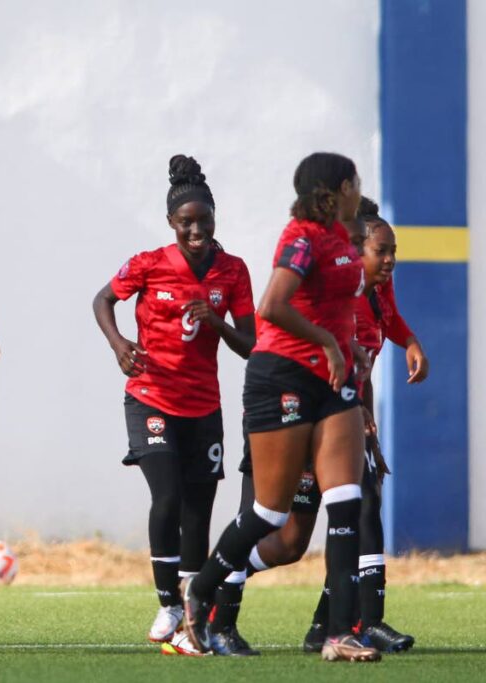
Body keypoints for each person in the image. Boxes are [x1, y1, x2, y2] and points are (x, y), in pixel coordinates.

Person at [181, 152, 382, 663]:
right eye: (355, 181)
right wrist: (329, 343)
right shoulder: (302, 236)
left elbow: (335, 307)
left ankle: (339, 637)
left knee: (347, 499)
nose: (360, 188)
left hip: (333, 381)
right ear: (338, 188)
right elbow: (273, 306)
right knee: (270, 511)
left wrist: (350, 345)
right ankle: (201, 589)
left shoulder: (344, 237)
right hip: (282, 377)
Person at [209, 200, 427, 655]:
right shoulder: (328, 287)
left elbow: (369, 355)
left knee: (359, 506)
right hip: (285, 410)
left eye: (393, 251)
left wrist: (407, 345)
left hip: (337, 412)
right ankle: (215, 608)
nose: (389, 260)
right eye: (380, 250)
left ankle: (349, 623)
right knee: (279, 533)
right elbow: (281, 327)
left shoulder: (377, 291)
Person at [92, 155, 255, 656]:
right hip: (151, 398)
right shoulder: (148, 263)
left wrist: (217, 322)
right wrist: (120, 345)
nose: (196, 230)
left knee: (199, 509)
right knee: (166, 496)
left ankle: (191, 608)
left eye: (204, 221)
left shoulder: (233, 270)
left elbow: (250, 344)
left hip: (203, 405)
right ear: (171, 224)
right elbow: (102, 300)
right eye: (186, 223)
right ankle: (167, 600)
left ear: (214, 219)